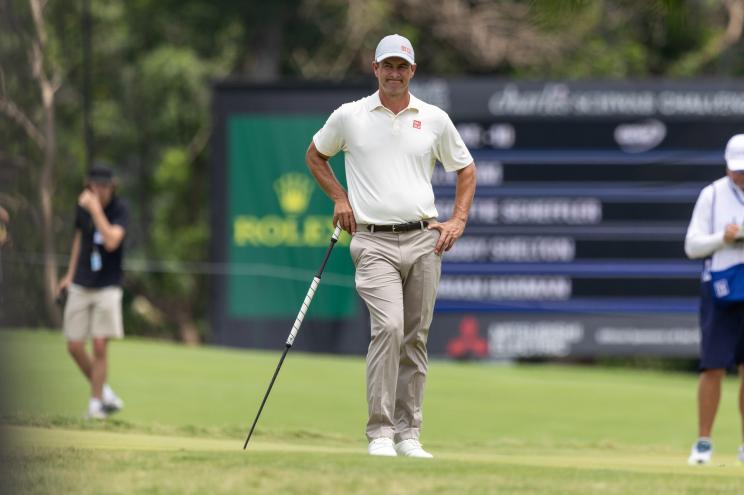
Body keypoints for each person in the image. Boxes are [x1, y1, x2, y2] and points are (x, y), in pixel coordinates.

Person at [306, 34, 476, 458]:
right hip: (373, 240)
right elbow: (315, 155)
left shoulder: (434, 119)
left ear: (412, 71)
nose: (395, 73)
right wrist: (340, 199)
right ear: (375, 68)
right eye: (388, 66)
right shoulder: (350, 116)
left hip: (423, 239)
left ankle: (409, 434)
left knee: (415, 337)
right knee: (390, 328)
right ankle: (380, 432)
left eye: (402, 66)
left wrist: (458, 219)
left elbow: (466, 169)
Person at [684, 133, 744, 465]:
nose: (742, 177)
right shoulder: (712, 195)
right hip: (721, 288)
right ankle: (703, 442)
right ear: (727, 166)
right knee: (714, 367)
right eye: (738, 170)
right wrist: (723, 238)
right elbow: (692, 246)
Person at [57, 165, 128, 419]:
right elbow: (80, 240)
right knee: (74, 346)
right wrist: (69, 274)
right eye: (94, 186)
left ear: (112, 187)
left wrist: (96, 210)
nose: (98, 190)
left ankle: (95, 405)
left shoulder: (120, 209)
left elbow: (111, 241)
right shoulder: (82, 208)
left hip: (107, 285)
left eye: (103, 186)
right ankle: (104, 390)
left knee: (99, 345)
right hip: (81, 282)